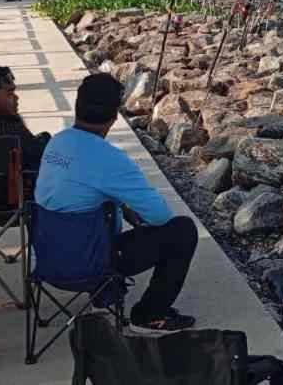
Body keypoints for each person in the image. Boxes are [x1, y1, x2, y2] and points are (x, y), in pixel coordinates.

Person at [35, 74, 198, 333]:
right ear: (114, 116)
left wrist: (119, 204)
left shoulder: (57, 143)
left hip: (47, 259)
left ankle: (104, 295)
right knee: (182, 231)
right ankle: (149, 316)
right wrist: (125, 203)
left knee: (93, 213)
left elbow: (73, 193)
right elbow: (160, 216)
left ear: (77, 106)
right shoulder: (111, 159)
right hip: (91, 264)